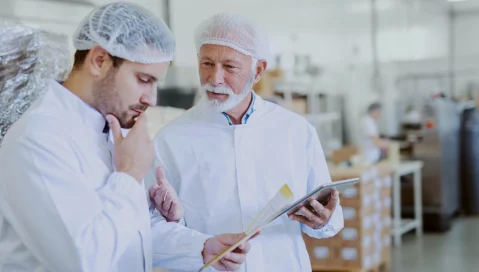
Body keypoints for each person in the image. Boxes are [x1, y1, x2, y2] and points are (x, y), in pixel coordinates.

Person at [0, 3, 253, 272]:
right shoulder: (38, 140)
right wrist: (129, 176)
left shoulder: (108, 129)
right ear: (99, 61)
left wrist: (199, 247)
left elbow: (127, 232)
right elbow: (85, 258)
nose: (151, 99)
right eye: (144, 79)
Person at [147, 12, 344, 272]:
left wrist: (322, 221)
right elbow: (151, 228)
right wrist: (200, 246)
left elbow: (331, 215)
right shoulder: (170, 139)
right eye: (207, 63)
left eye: (229, 67)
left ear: (258, 70)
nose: (215, 78)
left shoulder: (296, 131)